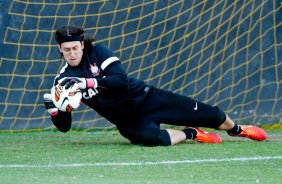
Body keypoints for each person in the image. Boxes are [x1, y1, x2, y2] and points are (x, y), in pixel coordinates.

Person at [43, 25, 267, 146]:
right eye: (67, 49)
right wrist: (55, 108)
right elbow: (64, 127)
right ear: (59, 50)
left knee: (213, 115)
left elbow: (120, 81)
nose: (72, 53)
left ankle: (238, 130)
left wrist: (87, 82)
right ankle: (191, 134)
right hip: (127, 120)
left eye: (75, 47)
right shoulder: (63, 81)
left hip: (147, 98)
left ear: (82, 45)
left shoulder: (99, 52)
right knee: (151, 139)